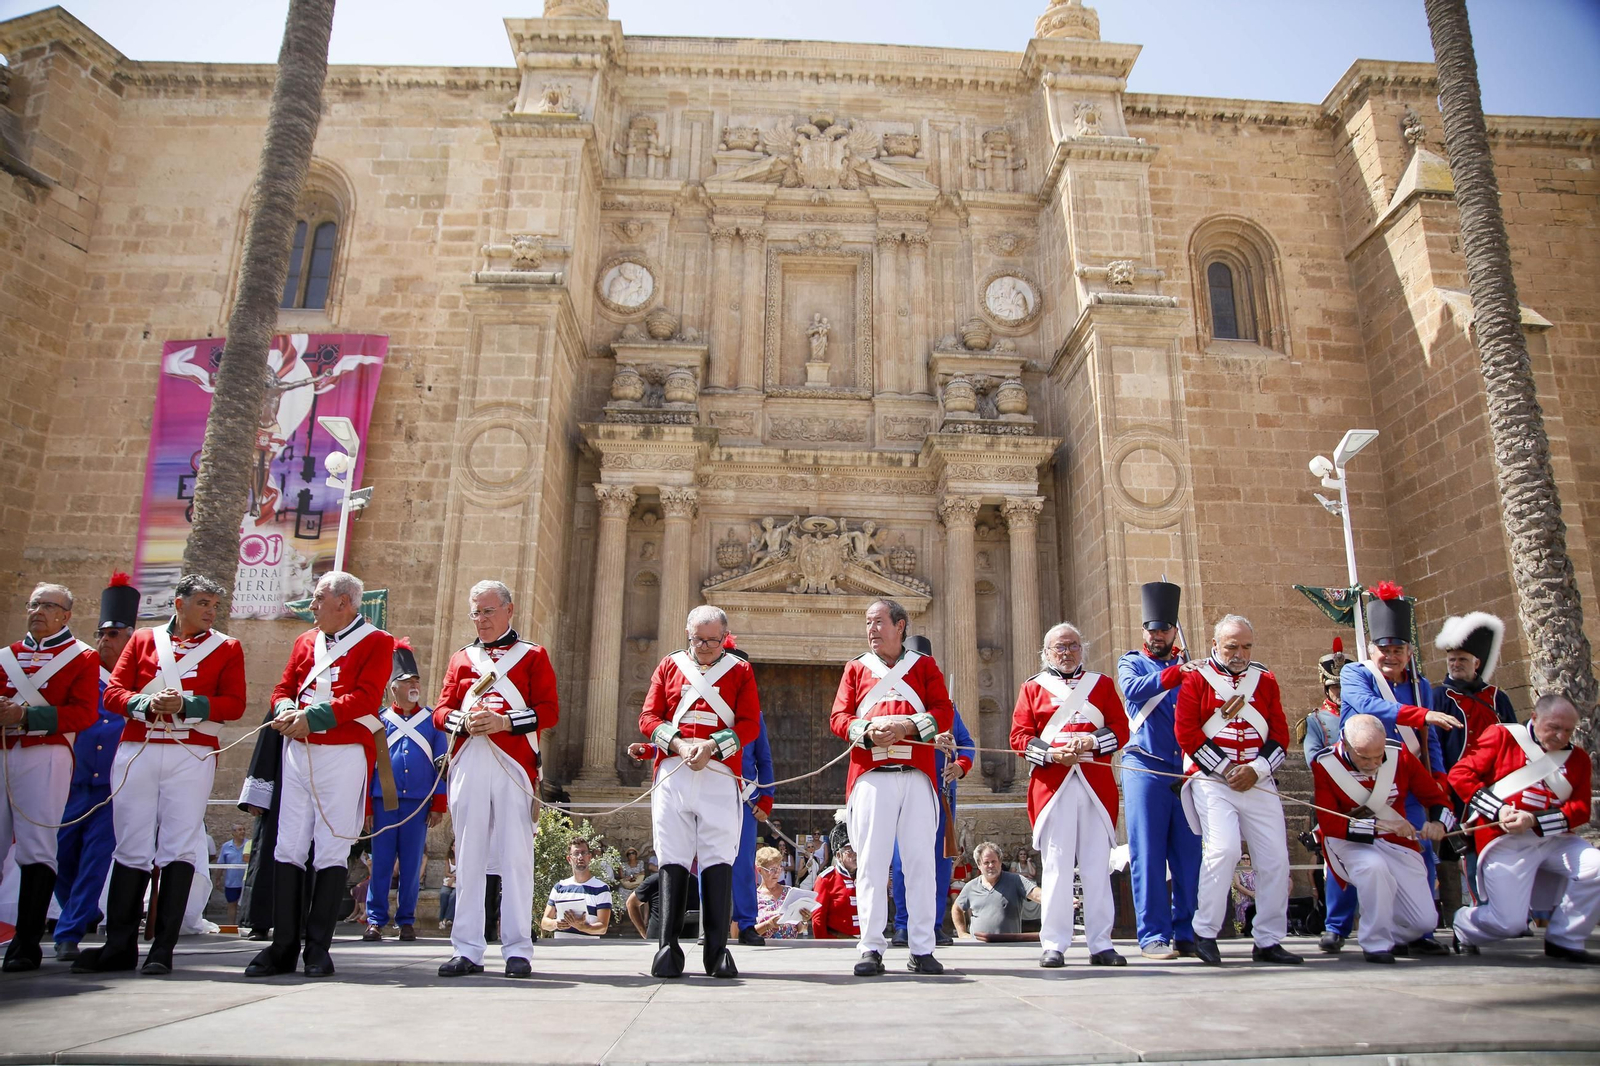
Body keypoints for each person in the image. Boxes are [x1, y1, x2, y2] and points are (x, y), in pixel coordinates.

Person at [77, 574, 246, 976]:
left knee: (179, 846)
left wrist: (187, 705)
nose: (210, 611)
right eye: (203, 603)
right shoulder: (143, 640)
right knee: (130, 846)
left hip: (191, 753)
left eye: (215, 605)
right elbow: (114, 693)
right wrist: (147, 703)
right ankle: (119, 945)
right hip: (140, 748)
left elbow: (234, 703)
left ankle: (163, 948)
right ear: (179, 603)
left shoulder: (227, 647)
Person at [245, 571, 394, 978]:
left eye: (318, 599)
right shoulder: (305, 642)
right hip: (298, 751)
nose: (311, 606)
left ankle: (317, 949)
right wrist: (284, 712)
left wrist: (313, 718)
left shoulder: (377, 642)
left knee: (331, 849)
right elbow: (283, 689)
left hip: (343, 754)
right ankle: (282, 946)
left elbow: (365, 697)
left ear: (343, 603)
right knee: (287, 847)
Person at [432, 579, 558, 978]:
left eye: (488, 611)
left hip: (514, 761)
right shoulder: (462, 658)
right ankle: (467, 949)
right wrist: (463, 721)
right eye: (476, 613)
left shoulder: (533, 656)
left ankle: (518, 948)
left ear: (508, 610)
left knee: (515, 856)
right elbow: (441, 711)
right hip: (469, 758)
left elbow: (548, 710)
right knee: (468, 855)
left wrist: (505, 722)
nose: (481, 620)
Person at [829, 598, 954, 976]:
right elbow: (839, 718)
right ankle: (870, 947)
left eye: (879, 622)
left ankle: (922, 948)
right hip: (871, 777)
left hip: (916, 776)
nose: (872, 629)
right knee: (870, 865)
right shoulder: (855, 668)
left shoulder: (924, 666)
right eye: (868, 622)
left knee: (920, 864)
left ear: (900, 626)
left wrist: (906, 727)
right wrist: (867, 730)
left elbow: (943, 711)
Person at [638, 605, 761, 979]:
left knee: (718, 857)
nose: (705, 646)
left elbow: (749, 724)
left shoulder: (740, 671)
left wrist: (711, 747)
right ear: (687, 635)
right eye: (698, 639)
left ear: (724, 637)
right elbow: (648, 717)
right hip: (674, 771)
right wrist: (678, 744)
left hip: (719, 773)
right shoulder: (669, 665)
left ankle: (717, 951)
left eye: (712, 640)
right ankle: (668, 949)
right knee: (672, 857)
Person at [1175, 614, 1301, 966]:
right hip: (1213, 780)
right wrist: (1227, 769)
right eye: (1232, 646)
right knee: (1224, 850)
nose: (1240, 654)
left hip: (1257, 779)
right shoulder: (1196, 679)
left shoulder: (1265, 680)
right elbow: (1186, 732)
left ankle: (1269, 939)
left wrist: (1256, 769)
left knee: (1275, 859)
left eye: (1246, 646)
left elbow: (1279, 734)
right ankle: (1205, 932)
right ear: (1215, 645)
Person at [1339, 582, 1456, 954]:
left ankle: (1418, 933)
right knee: (1350, 847)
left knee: (1418, 849)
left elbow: (1428, 739)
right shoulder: (1355, 675)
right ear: (1372, 649)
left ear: (1408, 652)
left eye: (1397, 650)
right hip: (1359, 776)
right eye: (1384, 649)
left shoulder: (1421, 686)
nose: (1391, 656)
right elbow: (1367, 706)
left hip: (1407, 779)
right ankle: (1337, 926)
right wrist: (1421, 715)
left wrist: (1438, 777)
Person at [1011, 622, 1128, 966]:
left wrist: (1091, 741)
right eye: (1059, 647)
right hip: (1053, 786)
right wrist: (1051, 754)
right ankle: (1054, 943)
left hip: (1095, 785)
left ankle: (1101, 943)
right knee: (1057, 868)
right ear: (1046, 653)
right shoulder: (1032, 687)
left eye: (1073, 646)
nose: (1067, 652)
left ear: (1082, 649)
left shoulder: (1101, 684)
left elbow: (1121, 729)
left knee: (1096, 867)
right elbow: (1019, 737)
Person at [1450, 694, 1599, 963]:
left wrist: (1534, 821)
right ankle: (1465, 925)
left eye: (1568, 731)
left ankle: (1565, 939)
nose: (1561, 737)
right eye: (1554, 727)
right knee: (1508, 924)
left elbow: (1580, 809)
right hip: (1505, 840)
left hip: (1554, 840)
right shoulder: (1503, 737)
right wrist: (1500, 810)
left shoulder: (1577, 759)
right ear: (1534, 718)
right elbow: (1460, 775)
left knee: (1596, 867)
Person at [0, 582, 102, 972]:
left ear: (65, 616)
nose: (38, 611)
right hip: (3, 749)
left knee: (37, 847)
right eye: (34, 604)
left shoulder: (81, 657)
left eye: (48, 606)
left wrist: (26, 716)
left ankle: (26, 944)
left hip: (45, 753)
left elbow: (83, 713)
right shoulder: (7, 656)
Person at [1312, 713, 1453, 963]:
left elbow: (1436, 798)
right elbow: (1330, 823)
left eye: (1378, 756)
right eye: (1364, 757)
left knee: (1423, 922)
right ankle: (1375, 943)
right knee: (1373, 867)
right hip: (1349, 841)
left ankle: (1393, 935)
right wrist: (1378, 826)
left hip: (1397, 842)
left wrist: (1438, 823)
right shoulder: (1325, 764)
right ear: (1346, 745)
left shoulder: (1400, 756)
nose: (1373, 763)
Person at [51, 574, 137, 962]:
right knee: (60, 856)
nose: (104, 641)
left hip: (113, 787)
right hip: (73, 781)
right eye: (101, 633)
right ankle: (81, 911)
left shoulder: (138, 681)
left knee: (94, 859)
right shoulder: (81, 674)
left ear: (129, 638)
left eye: (113, 634)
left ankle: (68, 932)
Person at [1115, 580, 1202, 960]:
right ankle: (1153, 935)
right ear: (1144, 631)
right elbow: (1134, 689)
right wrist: (1176, 674)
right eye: (1153, 630)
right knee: (1147, 854)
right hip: (1145, 766)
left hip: (1185, 769)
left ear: (1174, 631)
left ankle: (1188, 931)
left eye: (1165, 629)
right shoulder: (1132, 661)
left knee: (1189, 855)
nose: (1159, 636)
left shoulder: (1190, 667)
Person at [890, 634, 974, 949]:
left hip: (940, 792)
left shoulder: (947, 707)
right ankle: (903, 925)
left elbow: (966, 744)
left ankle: (934, 925)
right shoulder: (895, 703)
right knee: (903, 862)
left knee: (940, 862)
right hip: (906, 787)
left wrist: (960, 765)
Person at [1431, 612, 1515, 916]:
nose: (1455, 664)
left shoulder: (1497, 697)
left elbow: (1514, 738)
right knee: (1458, 849)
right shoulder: (1439, 696)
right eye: (1452, 659)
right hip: (1457, 787)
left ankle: (1504, 908)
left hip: (1497, 786)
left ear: (1476, 662)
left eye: (1462, 659)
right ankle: (1463, 915)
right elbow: (1433, 744)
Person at [363, 640, 447, 943]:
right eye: (408, 682)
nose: (414, 686)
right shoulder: (380, 720)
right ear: (393, 688)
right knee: (381, 862)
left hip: (417, 802)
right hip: (383, 800)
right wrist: (367, 807)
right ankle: (375, 919)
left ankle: (406, 919)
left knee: (411, 864)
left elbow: (441, 765)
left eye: (416, 681)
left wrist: (438, 803)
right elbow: (368, 765)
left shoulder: (432, 721)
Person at [1302, 638, 1360, 951]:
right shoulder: (1315, 721)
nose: (1339, 692)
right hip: (1334, 798)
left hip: (1369, 795)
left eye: (1343, 686)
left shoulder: (1363, 716)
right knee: (1336, 863)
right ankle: (1337, 925)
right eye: (1334, 687)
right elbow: (1314, 759)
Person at [725, 634, 777, 948]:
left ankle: (746, 924)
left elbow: (763, 760)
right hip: (711, 794)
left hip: (744, 800)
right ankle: (714, 924)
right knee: (710, 864)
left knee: (744, 864)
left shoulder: (755, 717)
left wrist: (766, 799)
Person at [951, 841, 1041, 939]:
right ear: (979, 865)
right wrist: (962, 933)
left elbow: (1038, 895)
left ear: (1000, 862)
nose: (991, 865)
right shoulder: (971, 886)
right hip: (978, 946)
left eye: (993, 861)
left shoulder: (1016, 880)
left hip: (1009, 945)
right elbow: (957, 909)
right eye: (986, 862)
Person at [542, 838, 612, 940]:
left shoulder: (601, 889)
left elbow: (603, 928)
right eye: (576, 853)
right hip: (561, 945)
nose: (580, 857)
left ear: (589, 857)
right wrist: (556, 924)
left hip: (590, 946)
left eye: (584, 853)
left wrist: (584, 927)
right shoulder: (559, 887)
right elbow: (544, 923)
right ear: (569, 859)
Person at [810, 817, 860, 940]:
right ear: (838, 855)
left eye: (857, 849)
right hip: (838, 943)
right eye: (850, 850)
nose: (855, 854)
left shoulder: (865, 876)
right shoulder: (826, 879)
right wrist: (824, 945)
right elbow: (818, 919)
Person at [626, 863, 700, 940]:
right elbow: (631, 903)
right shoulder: (655, 880)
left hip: (689, 940)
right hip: (657, 939)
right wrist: (643, 932)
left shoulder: (696, 882)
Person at [218, 823, 248, 927]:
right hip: (231, 882)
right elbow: (221, 863)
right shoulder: (226, 846)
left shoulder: (249, 844)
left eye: (243, 829)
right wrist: (218, 879)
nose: (242, 832)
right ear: (233, 833)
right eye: (239, 830)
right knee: (232, 904)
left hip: (246, 881)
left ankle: (245, 926)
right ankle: (231, 926)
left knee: (246, 905)